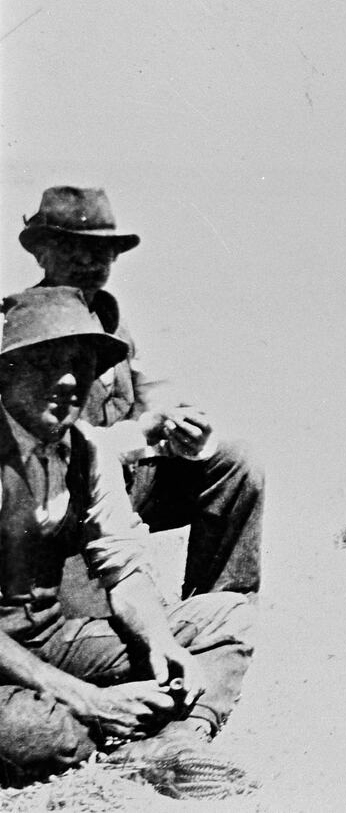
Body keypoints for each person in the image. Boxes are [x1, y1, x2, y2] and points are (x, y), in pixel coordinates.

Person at [0, 287, 255, 794]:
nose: (68, 381)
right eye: (47, 363)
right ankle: (112, 735)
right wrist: (87, 698)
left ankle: (178, 740)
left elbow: (123, 569)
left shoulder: (85, 449)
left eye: (81, 366)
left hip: (49, 638)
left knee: (229, 616)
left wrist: (161, 642)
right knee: (36, 732)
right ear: (8, 372)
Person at [18, 187, 263, 604]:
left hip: (122, 483)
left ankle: (220, 608)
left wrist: (182, 427)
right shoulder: (23, 330)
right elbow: (48, 450)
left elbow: (151, 396)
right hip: (60, 499)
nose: (88, 261)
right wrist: (143, 432)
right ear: (41, 253)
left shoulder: (112, 321)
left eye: (101, 251)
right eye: (72, 248)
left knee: (236, 461)